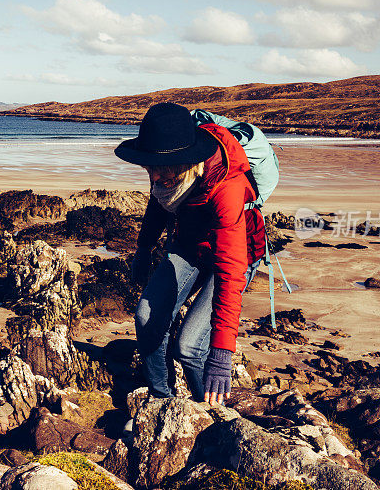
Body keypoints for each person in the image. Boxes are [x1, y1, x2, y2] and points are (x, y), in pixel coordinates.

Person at [114, 102, 266, 405]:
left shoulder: (228, 188)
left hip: (237, 256)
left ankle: (211, 417)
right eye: (149, 170)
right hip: (190, 247)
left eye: (162, 174)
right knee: (146, 316)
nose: (154, 179)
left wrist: (222, 354)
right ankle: (163, 401)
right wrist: (144, 248)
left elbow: (230, 272)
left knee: (190, 347)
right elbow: (158, 204)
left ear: (186, 162)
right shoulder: (168, 173)